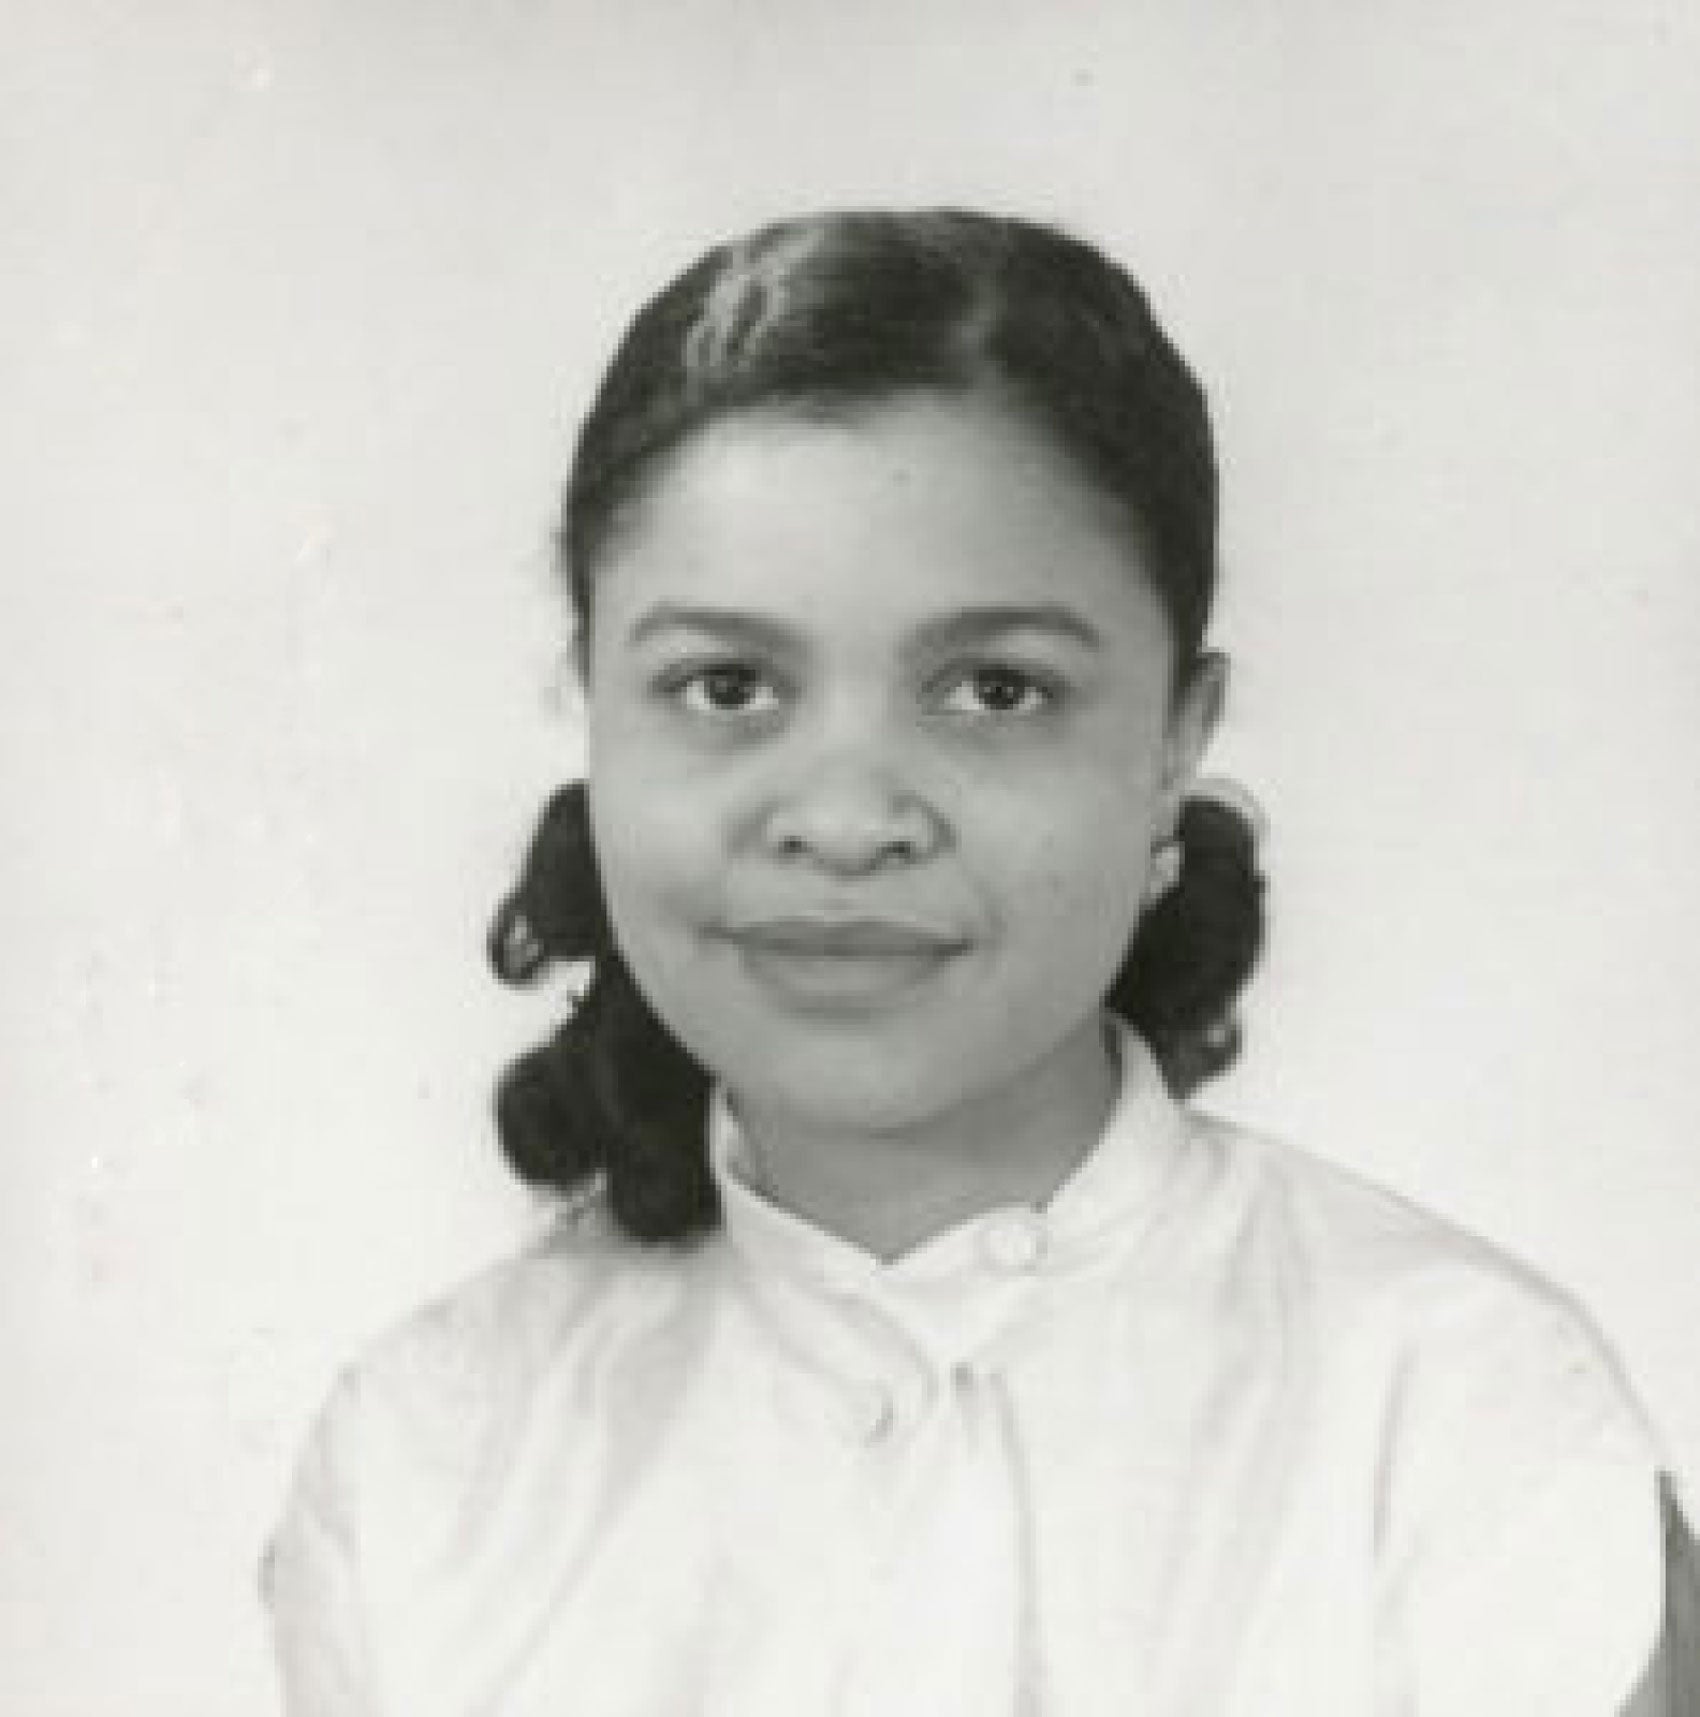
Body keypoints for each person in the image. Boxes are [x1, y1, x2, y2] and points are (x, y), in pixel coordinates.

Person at [262, 209, 1696, 1715]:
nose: (843, 817)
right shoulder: (425, 1458)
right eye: (727, 684)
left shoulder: (1463, 1417)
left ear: (1175, 744)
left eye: (996, 689)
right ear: (593, 715)